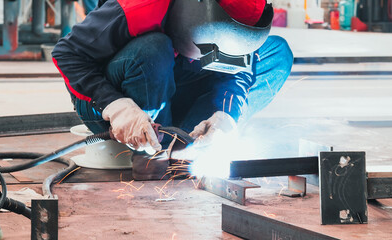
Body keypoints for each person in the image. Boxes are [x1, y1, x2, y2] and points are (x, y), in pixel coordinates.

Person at [52, 0, 293, 179]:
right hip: (113, 100)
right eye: (213, 49)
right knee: (153, 49)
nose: (217, 58)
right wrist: (115, 106)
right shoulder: (141, 6)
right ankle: (152, 152)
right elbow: (67, 53)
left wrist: (227, 114)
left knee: (277, 53)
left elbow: (238, 70)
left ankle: (191, 142)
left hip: (174, 82)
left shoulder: (236, 27)